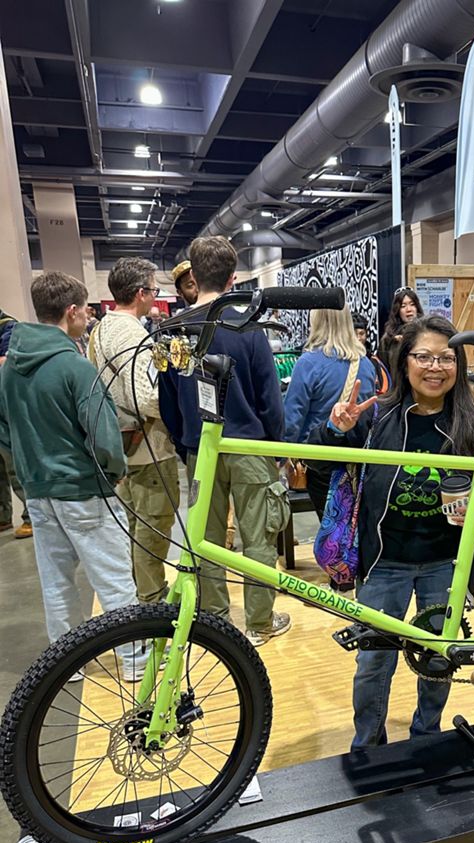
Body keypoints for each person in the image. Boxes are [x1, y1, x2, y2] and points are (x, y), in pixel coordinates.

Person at [313, 314, 474, 749]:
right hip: (384, 560)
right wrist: (337, 429)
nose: (435, 367)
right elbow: (317, 461)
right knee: (373, 663)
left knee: (438, 660)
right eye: (424, 356)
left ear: (459, 365)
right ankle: (368, 745)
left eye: (446, 358)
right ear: (405, 361)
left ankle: (426, 737)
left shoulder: (471, 423)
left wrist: (472, 507)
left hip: (445, 562)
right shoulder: (377, 416)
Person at [0, 271, 141, 668]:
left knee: (56, 582)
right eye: (85, 310)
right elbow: (103, 435)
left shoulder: (10, 368)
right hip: (84, 489)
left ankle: (66, 668)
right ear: (72, 311)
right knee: (114, 578)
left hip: (38, 491)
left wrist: (26, 459)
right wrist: (114, 470)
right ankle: (134, 658)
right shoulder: (75, 367)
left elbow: (4, 427)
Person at [159, 235, 291, 647]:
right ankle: (260, 622)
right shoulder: (249, 327)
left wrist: (184, 442)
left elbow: (167, 401)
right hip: (250, 447)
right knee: (258, 538)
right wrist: (277, 445)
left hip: (200, 449)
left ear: (193, 278)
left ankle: (216, 621)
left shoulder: (174, 330)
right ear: (233, 278)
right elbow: (269, 397)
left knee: (205, 538)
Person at [90, 257, 180, 603]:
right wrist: (175, 411)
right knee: (154, 526)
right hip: (148, 447)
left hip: (121, 444)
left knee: (136, 525)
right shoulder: (131, 332)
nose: (155, 296)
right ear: (141, 293)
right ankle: (152, 598)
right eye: (154, 290)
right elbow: (147, 397)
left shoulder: (101, 329)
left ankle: (142, 593)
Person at [284, 305, 376, 517]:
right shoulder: (365, 364)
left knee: (331, 524)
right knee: (354, 523)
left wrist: (282, 457)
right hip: (357, 459)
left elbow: (292, 418)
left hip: (320, 458)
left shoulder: (308, 363)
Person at [0, 308, 32, 537]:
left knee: (15, 464)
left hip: (7, 408)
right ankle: (3, 517)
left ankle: (32, 516)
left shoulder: (8, 326)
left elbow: (6, 363)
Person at [379, 286, 424, 374]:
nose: (409, 310)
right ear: (397, 310)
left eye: (412, 304)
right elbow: (382, 369)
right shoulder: (388, 339)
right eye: (403, 306)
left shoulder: (426, 332)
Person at [353, 311, 390, 395]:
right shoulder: (341, 361)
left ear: (367, 335)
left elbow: (384, 389)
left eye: (361, 334)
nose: (358, 338)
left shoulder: (374, 361)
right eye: (354, 334)